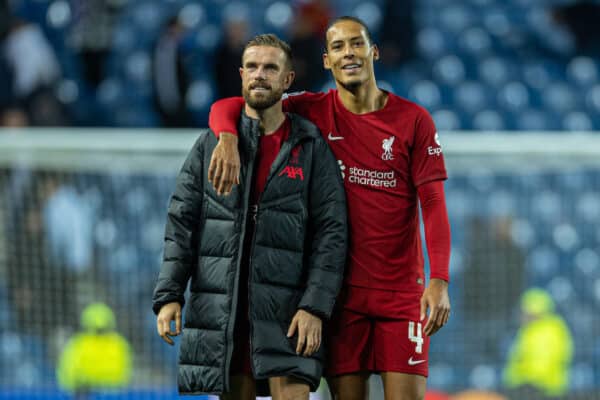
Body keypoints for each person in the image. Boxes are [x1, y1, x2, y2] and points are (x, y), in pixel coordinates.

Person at [207, 16, 451, 400]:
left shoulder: (413, 120)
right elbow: (232, 104)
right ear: (326, 61)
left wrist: (439, 279)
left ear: (373, 52)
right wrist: (225, 136)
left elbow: (433, 203)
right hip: (339, 297)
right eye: (338, 47)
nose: (348, 53)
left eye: (356, 44)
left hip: (401, 295)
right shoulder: (311, 111)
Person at [152, 34, 347, 399]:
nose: (260, 75)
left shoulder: (310, 146)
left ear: (287, 80)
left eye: (271, 67)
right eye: (253, 67)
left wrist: (314, 308)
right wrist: (169, 295)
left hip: (289, 312)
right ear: (241, 74)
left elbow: (331, 235)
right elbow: (182, 223)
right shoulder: (210, 144)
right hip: (226, 308)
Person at [503, 288, 573, 399]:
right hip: (527, 388)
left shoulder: (548, 330)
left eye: (525, 311)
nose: (521, 314)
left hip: (542, 390)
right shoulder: (529, 330)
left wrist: (527, 382)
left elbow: (542, 364)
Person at [56, 302, 132, 398]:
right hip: (112, 394)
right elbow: (125, 376)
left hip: (84, 394)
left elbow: (66, 375)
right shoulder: (120, 344)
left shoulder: (77, 343)